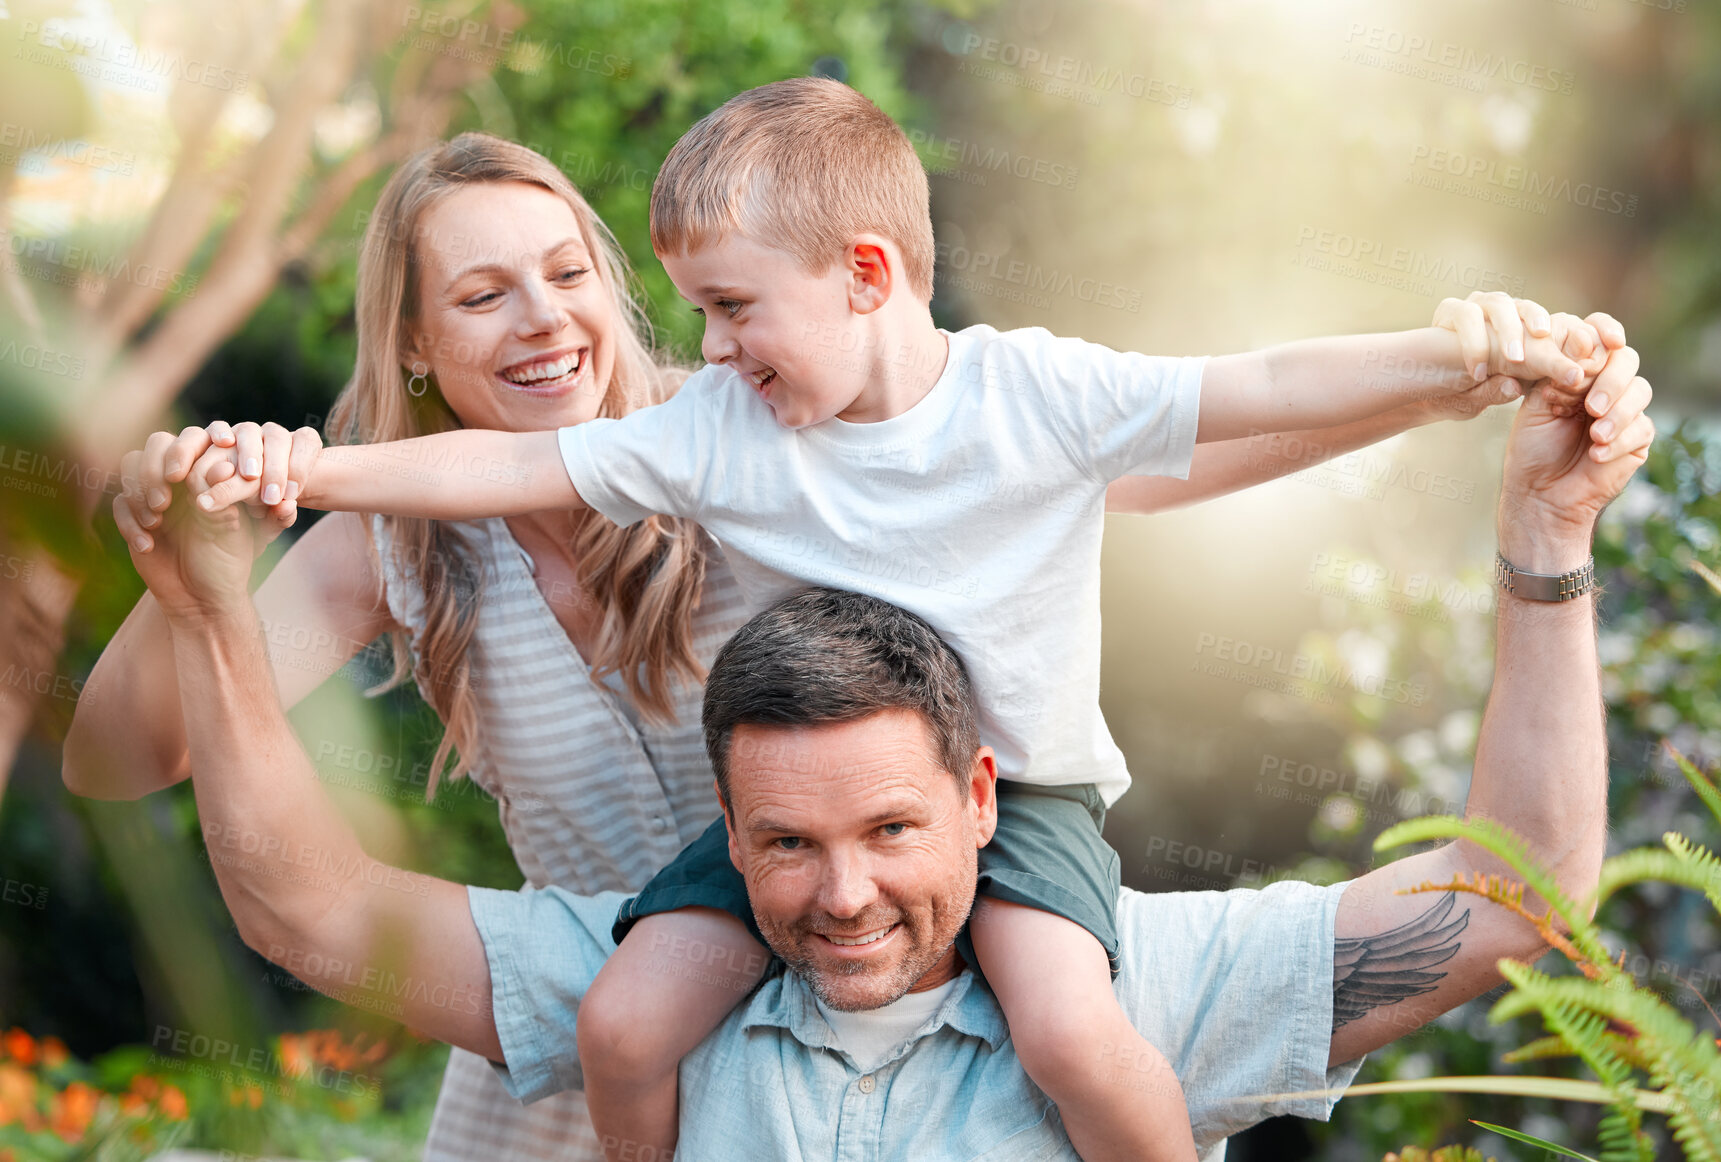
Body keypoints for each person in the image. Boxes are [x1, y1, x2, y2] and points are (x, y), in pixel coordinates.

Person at [164, 78, 1630, 1161]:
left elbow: (1252, 385)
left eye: (732, 309)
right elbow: (508, 468)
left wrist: (1458, 364)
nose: (703, 352)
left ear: (865, 274)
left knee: (1071, 1030)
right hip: (748, 863)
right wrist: (307, 468)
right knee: (623, 1020)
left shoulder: (1029, 398)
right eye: (701, 313)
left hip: (1039, 797)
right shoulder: (725, 433)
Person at [62, 132, 756, 1162]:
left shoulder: (727, 436)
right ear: (412, 342)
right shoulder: (398, 539)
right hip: (575, 1009)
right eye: (482, 297)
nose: (544, 319)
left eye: (567, 274)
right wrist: (193, 576)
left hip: (812, 949)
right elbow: (113, 759)